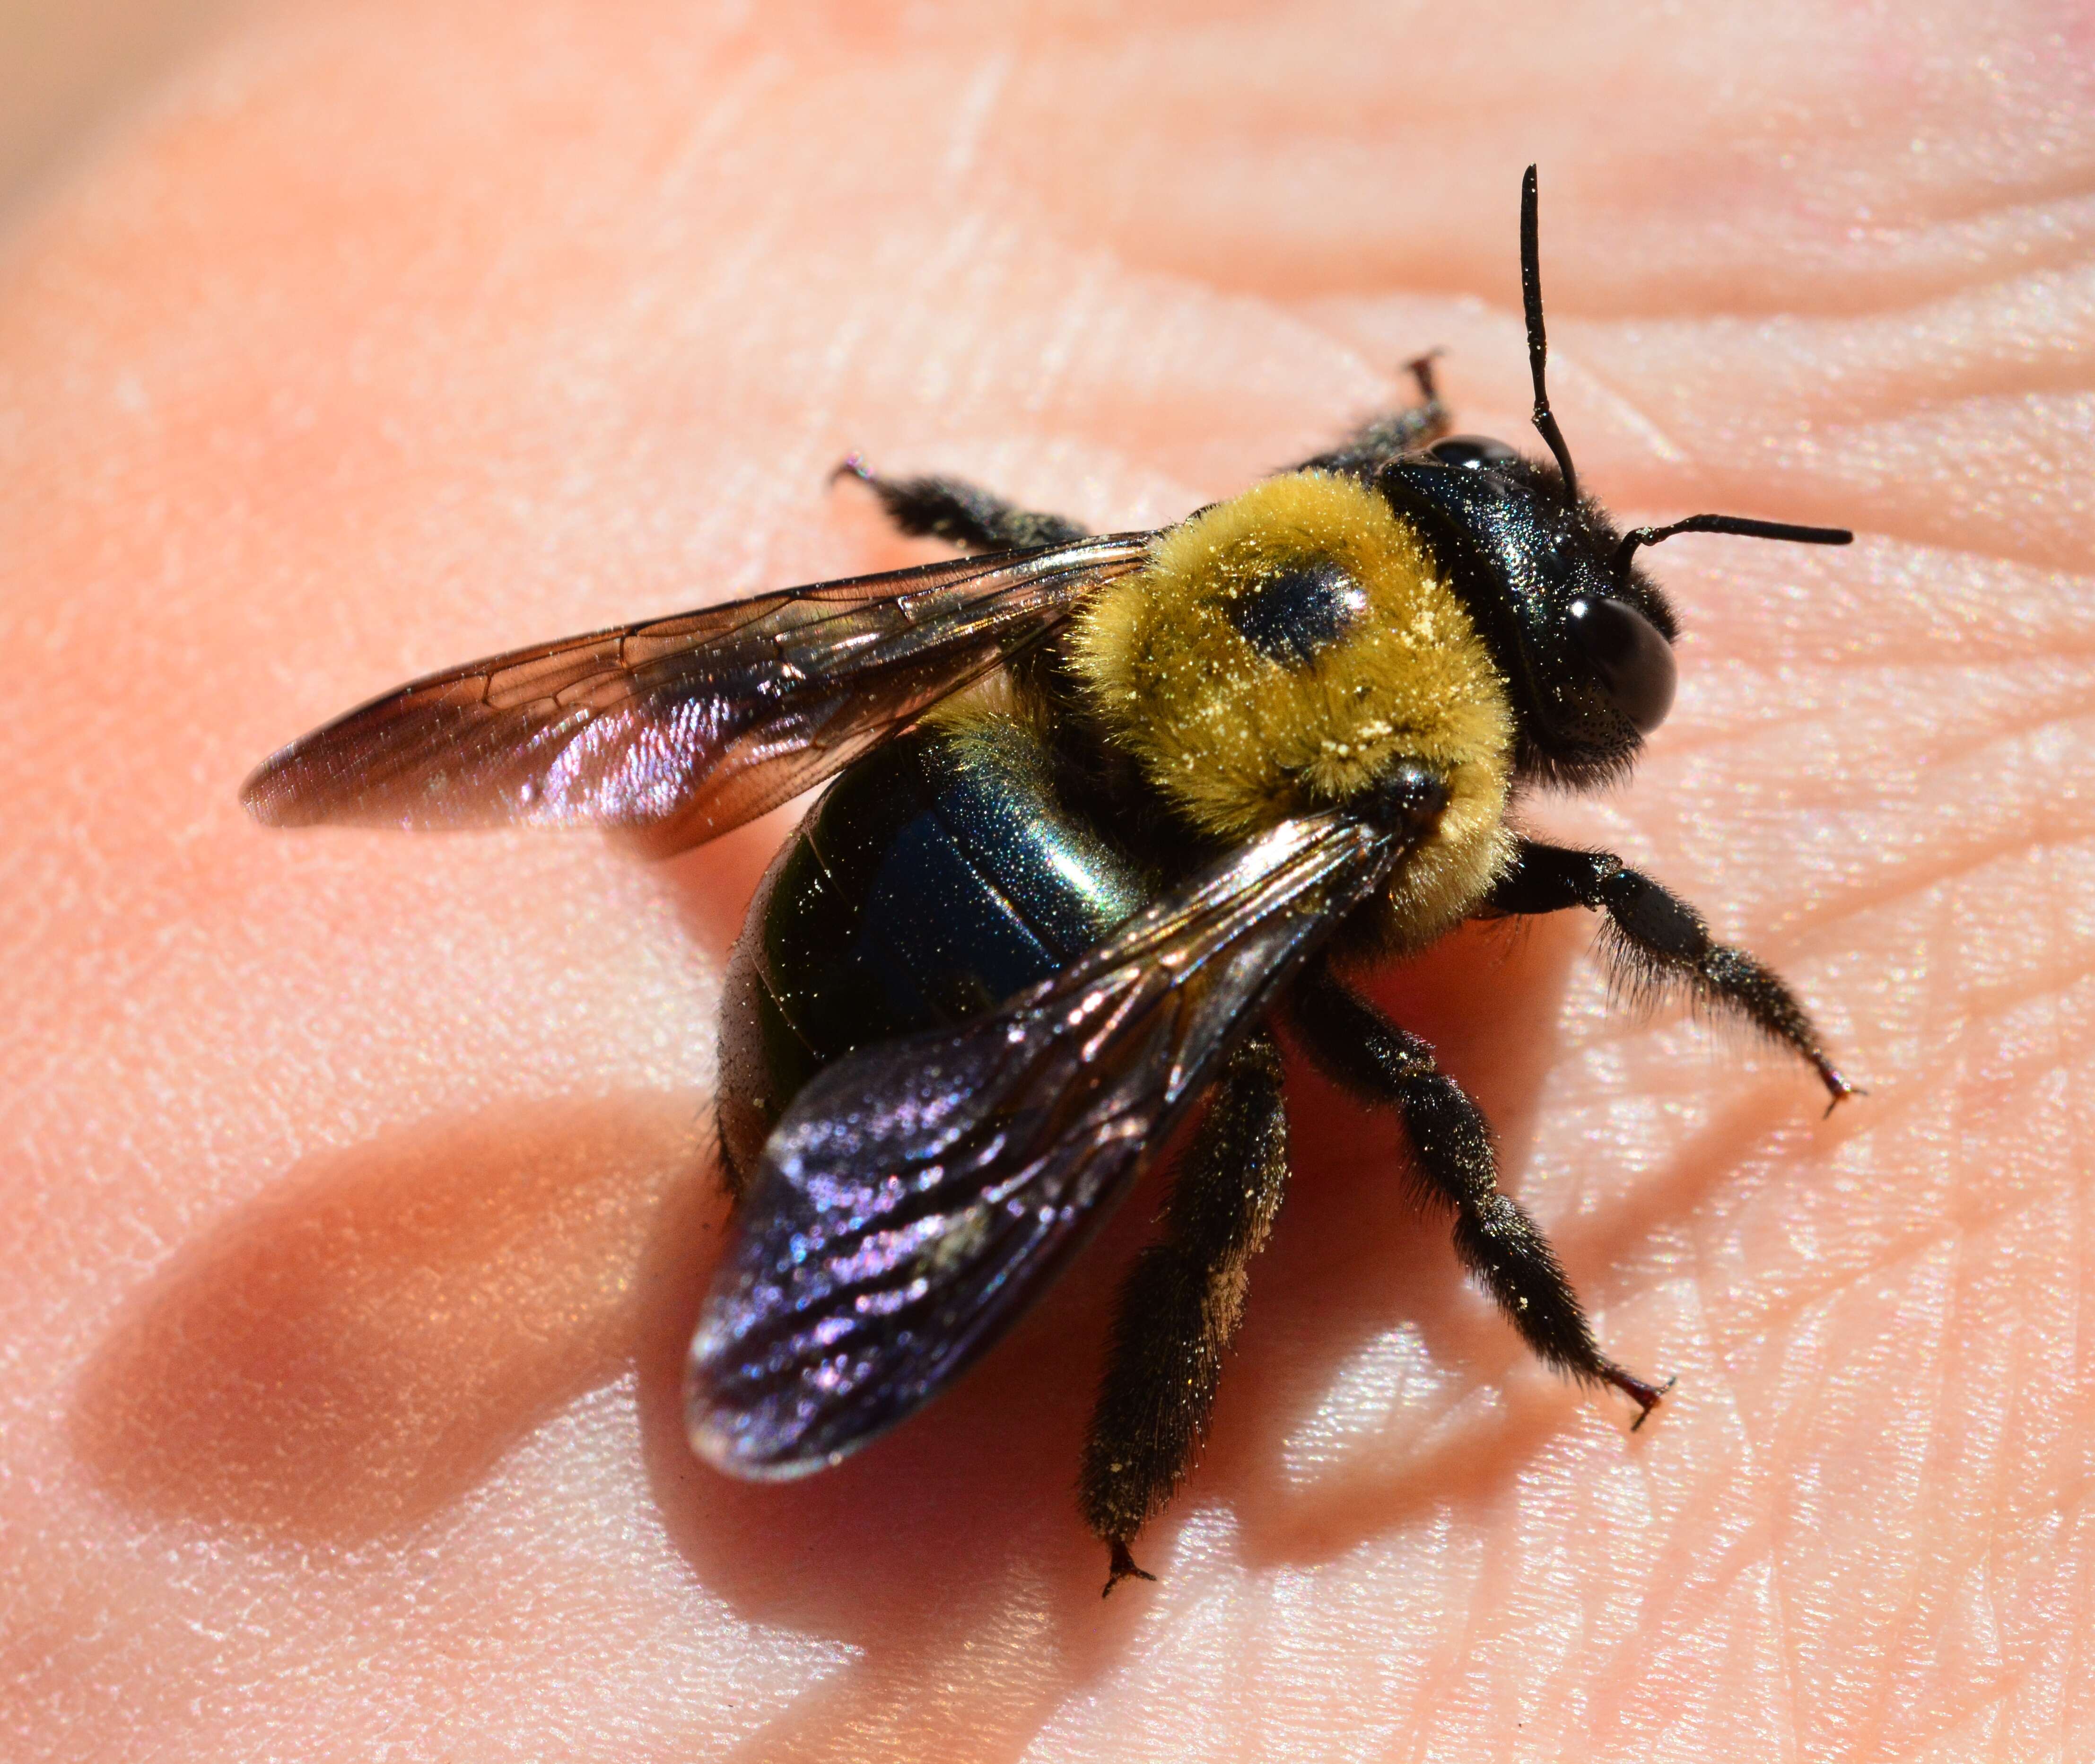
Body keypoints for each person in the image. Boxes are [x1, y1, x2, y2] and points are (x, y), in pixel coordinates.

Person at [5, 5, 2082, 1757]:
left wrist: (949, 515)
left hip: (909, 855)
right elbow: (1510, 1031)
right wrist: (1732, 1062)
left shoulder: (1169, 571)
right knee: (1279, 1122)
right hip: (983, 991)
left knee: (1015, 703)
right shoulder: (1375, 814)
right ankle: (1127, 1481)